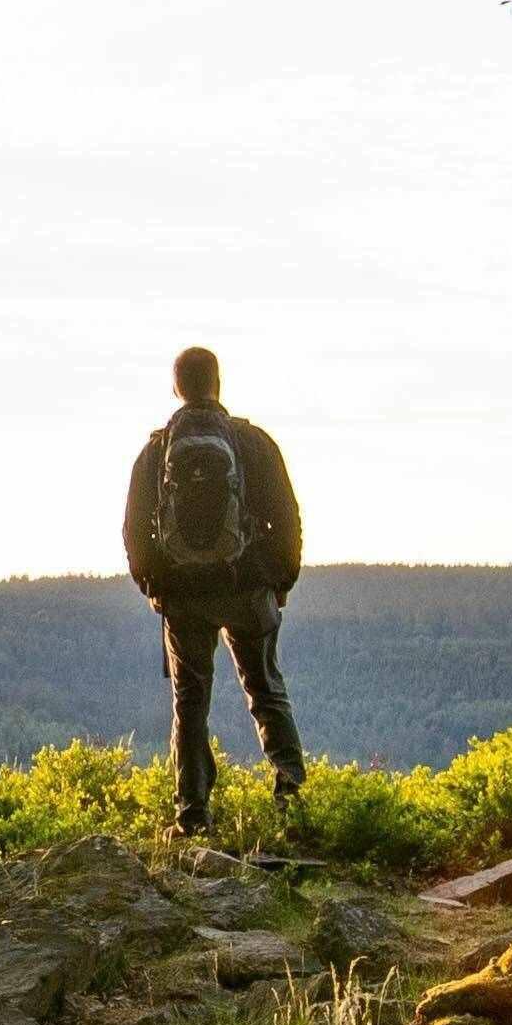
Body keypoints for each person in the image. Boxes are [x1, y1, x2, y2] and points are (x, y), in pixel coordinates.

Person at [120, 344, 305, 831]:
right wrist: (279, 581)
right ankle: (294, 804)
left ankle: (192, 814)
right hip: (248, 589)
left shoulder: (157, 451)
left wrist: (154, 584)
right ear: (217, 383)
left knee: (190, 702)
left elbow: (135, 531)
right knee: (267, 693)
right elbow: (285, 518)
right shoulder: (252, 442)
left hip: (183, 597)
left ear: (178, 388)